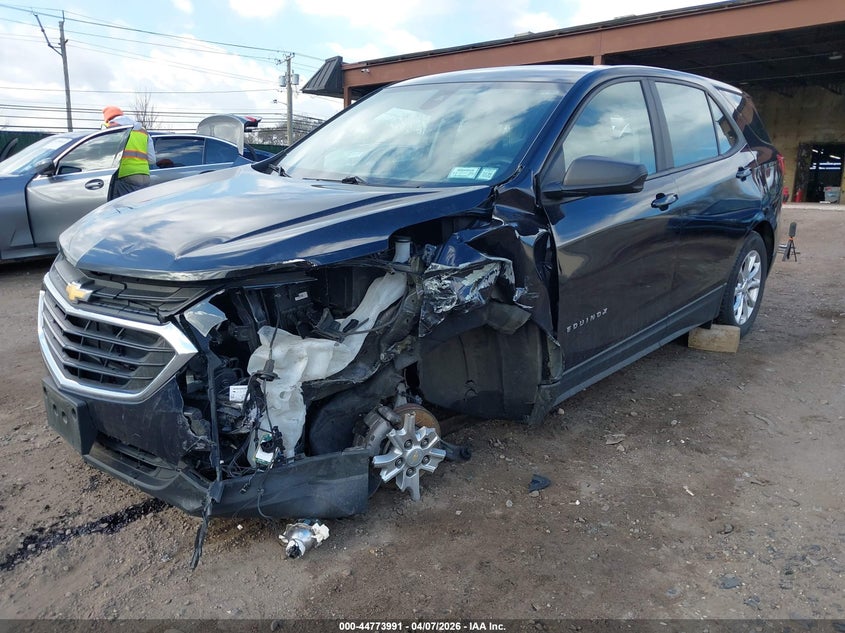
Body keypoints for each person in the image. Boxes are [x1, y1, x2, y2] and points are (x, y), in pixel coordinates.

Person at [101, 105, 156, 198]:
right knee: (141, 204)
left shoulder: (110, 128)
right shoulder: (143, 131)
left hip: (125, 175)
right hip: (145, 175)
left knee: (125, 205)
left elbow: (104, 154)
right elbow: (152, 159)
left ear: (107, 119)